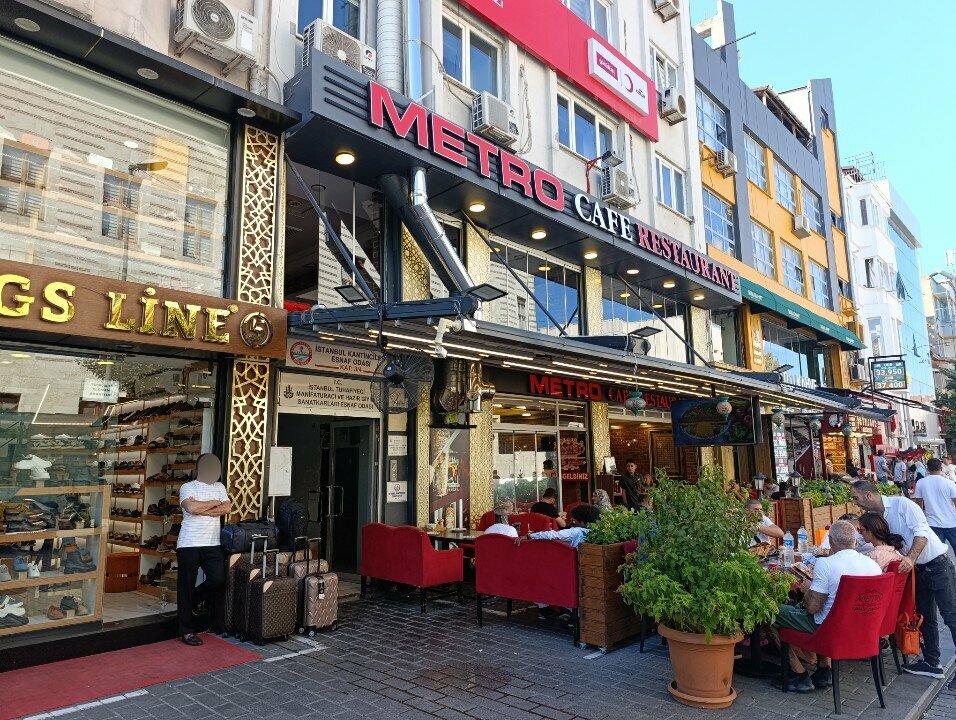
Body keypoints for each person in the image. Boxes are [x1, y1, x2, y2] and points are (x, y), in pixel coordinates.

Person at [852, 480, 956, 679]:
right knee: (925, 616)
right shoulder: (876, 516)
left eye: (855, 497)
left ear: (868, 495)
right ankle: (932, 663)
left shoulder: (902, 504)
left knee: (951, 615)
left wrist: (910, 558)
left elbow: (922, 532)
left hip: (937, 564)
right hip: (918, 569)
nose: (854, 502)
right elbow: (873, 540)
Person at [773, 520, 881, 692]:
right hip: (863, 629)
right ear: (855, 540)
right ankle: (824, 670)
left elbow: (812, 608)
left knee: (770, 611)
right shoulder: (873, 566)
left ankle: (798, 673)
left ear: (830, 540)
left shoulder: (826, 564)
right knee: (826, 611)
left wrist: (807, 589)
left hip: (828, 630)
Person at [176, 454, 231, 647]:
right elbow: (191, 508)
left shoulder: (220, 487)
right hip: (188, 543)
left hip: (212, 543)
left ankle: (192, 602)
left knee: (218, 579)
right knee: (186, 586)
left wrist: (202, 507)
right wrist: (215, 503)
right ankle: (186, 631)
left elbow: (227, 509)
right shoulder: (187, 487)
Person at [914, 458, 956, 552]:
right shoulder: (950, 483)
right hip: (952, 522)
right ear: (941, 468)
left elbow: (918, 506)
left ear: (927, 469)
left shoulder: (921, 483)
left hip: (933, 524)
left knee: (938, 553)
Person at [528, 504, 601, 548]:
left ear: (582, 522)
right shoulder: (599, 532)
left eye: (575, 520)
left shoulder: (577, 531)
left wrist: (530, 535)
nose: (573, 522)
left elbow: (553, 535)